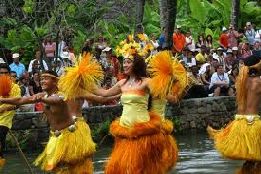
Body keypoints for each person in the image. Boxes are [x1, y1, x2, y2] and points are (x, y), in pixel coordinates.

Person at [0, 70, 96, 173]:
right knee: (56, 169)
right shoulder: (43, 95)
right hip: (55, 137)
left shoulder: (61, 95)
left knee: (71, 166)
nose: (42, 81)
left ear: (54, 82)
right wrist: (3, 100)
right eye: (41, 79)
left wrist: (41, 100)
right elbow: (20, 100)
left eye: (46, 79)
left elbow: (54, 101)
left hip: (69, 135)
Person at [94, 54, 166, 174]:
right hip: (124, 130)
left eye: (128, 62)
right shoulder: (122, 83)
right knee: (124, 168)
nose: (125, 64)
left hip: (142, 131)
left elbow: (163, 93)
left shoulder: (146, 82)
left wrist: (167, 81)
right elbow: (104, 94)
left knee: (141, 169)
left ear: (136, 64)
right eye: (124, 62)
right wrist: (82, 81)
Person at [207, 55, 261, 167]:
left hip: (239, 122)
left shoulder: (241, 82)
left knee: (249, 160)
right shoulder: (258, 82)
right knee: (256, 159)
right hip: (252, 123)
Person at [0, 63, 21, 168]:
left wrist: (6, 107)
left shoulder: (15, 87)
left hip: (4, 121)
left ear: (9, 74)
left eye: (5, 73)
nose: (3, 75)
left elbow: (18, 104)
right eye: (1, 73)